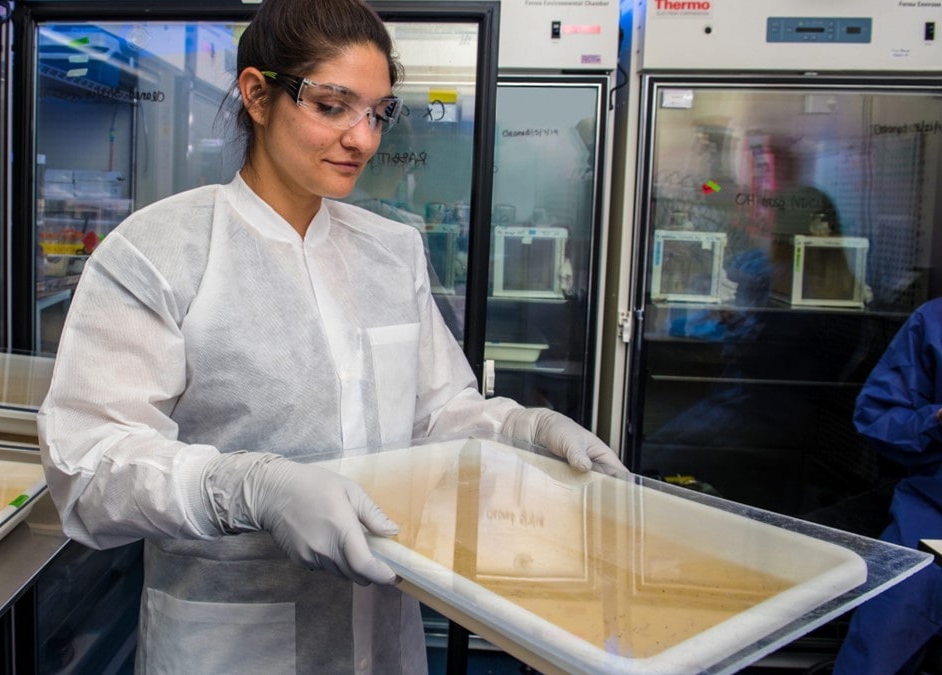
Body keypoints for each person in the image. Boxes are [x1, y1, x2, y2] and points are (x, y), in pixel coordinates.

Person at [37, 0, 626, 672]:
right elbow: (87, 465)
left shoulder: (391, 251)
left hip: (382, 632)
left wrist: (525, 431)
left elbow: (438, 415)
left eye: (377, 112)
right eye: (334, 105)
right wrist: (250, 486)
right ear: (258, 94)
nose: (364, 139)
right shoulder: (158, 253)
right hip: (232, 644)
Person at [833, 296, 942, 675]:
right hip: (931, 517)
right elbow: (876, 416)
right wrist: (936, 418)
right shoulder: (934, 320)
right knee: (884, 636)